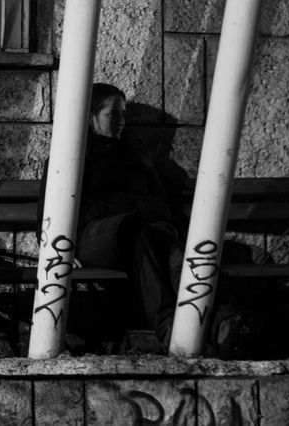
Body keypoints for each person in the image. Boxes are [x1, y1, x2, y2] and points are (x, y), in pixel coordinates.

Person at [38, 83, 186, 348]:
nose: (121, 121)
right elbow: (49, 209)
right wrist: (58, 250)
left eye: (123, 114)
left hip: (143, 233)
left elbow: (161, 202)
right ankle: (171, 328)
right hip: (94, 237)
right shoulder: (73, 155)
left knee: (173, 250)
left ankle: (218, 321)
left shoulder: (135, 155)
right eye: (113, 114)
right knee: (141, 230)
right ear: (91, 116)